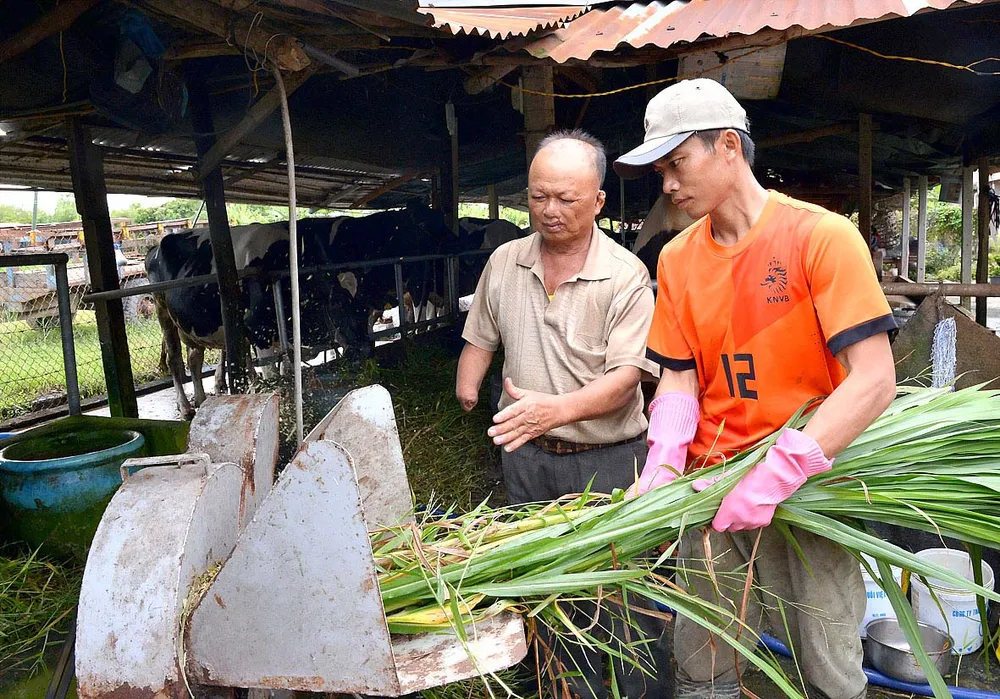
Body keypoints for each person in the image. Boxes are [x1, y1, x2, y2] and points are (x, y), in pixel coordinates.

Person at [615, 78, 898, 699]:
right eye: (659, 170)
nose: (667, 184)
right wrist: (664, 458)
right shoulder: (677, 258)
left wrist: (781, 469)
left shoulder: (818, 237)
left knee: (825, 664)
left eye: (676, 163)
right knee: (704, 666)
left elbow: (875, 380)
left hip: (811, 487)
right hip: (712, 489)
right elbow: (680, 375)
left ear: (728, 147)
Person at [456, 129, 671, 699]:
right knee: (546, 592)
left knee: (624, 598)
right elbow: (481, 333)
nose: (549, 212)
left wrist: (551, 412)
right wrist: (468, 385)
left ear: (599, 201)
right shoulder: (505, 260)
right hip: (526, 461)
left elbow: (628, 382)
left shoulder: (627, 275)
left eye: (566, 199)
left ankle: (638, 691)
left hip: (610, 465)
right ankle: (563, 690)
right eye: (538, 197)